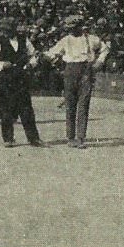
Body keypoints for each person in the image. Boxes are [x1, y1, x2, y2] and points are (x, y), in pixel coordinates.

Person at [45, 14, 110, 149]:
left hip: (86, 71)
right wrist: (50, 57)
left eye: (74, 27)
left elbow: (105, 49)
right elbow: (52, 53)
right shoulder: (65, 40)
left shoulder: (91, 39)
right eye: (69, 28)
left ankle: (80, 137)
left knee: (83, 104)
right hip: (70, 71)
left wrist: (99, 62)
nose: (72, 30)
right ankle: (70, 137)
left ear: (81, 26)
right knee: (70, 105)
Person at [0, 18, 45, 148]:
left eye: (9, 30)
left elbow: (33, 55)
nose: (6, 33)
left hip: (21, 78)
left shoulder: (24, 40)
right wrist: (1, 64)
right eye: (4, 30)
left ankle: (33, 138)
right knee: (6, 109)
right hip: (6, 79)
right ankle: (8, 138)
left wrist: (31, 64)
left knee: (26, 109)